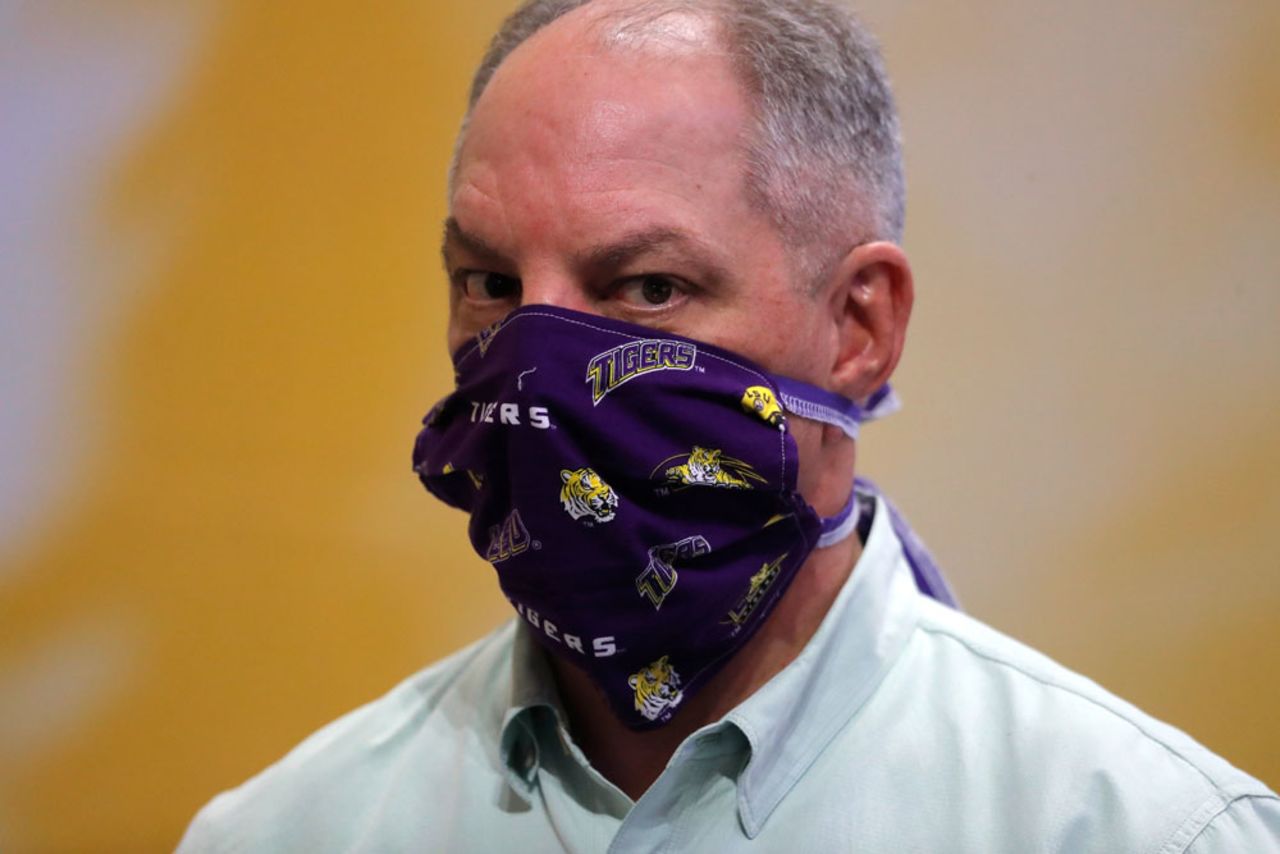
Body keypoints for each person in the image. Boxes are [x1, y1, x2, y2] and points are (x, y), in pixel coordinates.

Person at [179, 0, 1280, 850]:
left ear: (857, 326)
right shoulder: (289, 828)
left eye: (646, 286)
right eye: (489, 281)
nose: (532, 366)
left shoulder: (1135, 827)